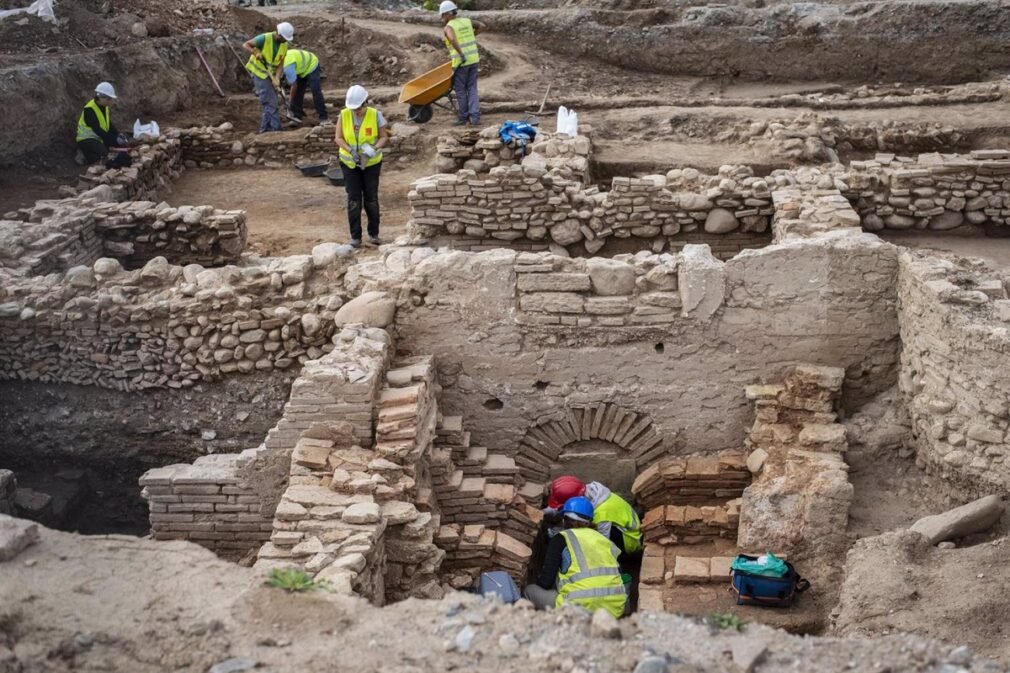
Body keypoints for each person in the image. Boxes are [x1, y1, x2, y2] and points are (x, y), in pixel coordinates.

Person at [524, 496, 627, 618]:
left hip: (577, 606)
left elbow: (546, 582)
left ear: (566, 519)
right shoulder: (604, 540)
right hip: (614, 607)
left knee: (529, 590)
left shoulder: (561, 538)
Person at [334, 85, 389, 248]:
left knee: (371, 198)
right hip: (350, 163)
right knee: (354, 199)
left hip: (371, 163)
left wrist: (374, 149)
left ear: (365, 103)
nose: (355, 111)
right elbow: (338, 138)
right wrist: (350, 150)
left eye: (358, 108)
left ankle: (374, 234)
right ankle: (355, 237)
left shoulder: (375, 115)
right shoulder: (344, 115)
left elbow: (383, 137)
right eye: (353, 108)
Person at [546, 475, 643, 559]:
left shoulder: (602, 514)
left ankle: (620, 561)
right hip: (622, 528)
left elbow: (602, 543)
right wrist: (542, 513)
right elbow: (562, 506)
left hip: (629, 539)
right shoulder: (589, 492)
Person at [438, 1, 486, 127]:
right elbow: (482, 26)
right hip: (473, 60)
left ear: (448, 14)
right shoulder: (466, 21)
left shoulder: (449, 27)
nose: (442, 18)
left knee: (460, 90)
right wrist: (472, 36)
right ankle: (475, 118)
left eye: (443, 15)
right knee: (472, 88)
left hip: (461, 62)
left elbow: (452, 39)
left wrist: (461, 53)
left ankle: (463, 117)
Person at [243, 22, 294, 133]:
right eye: (284, 38)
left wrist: (277, 77)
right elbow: (246, 44)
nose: (286, 40)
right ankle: (277, 129)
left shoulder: (284, 44)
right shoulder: (264, 38)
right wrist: (255, 52)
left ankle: (265, 130)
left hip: (271, 74)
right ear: (279, 34)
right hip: (260, 73)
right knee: (271, 102)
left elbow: (281, 63)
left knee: (270, 102)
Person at [75, 82, 132, 169]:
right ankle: (83, 154)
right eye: (108, 99)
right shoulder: (89, 110)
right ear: (101, 97)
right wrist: (114, 139)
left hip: (98, 137)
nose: (110, 102)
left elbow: (108, 124)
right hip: (86, 139)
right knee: (103, 154)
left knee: (117, 145)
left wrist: (117, 135)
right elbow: (98, 130)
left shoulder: (104, 107)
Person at [282, 48, 328, 123]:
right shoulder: (281, 60)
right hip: (301, 69)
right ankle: (297, 115)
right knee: (298, 92)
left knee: (315, 91)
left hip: (312, 64)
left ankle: (324, 117)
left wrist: (290, 102)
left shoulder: (288, 66)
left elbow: (293, 86)